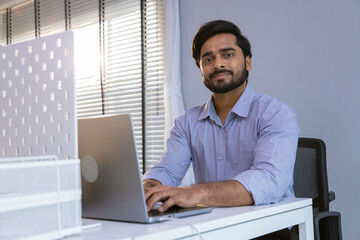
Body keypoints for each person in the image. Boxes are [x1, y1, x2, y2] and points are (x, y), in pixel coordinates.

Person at [142, 19, 300, 239]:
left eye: (228, 54)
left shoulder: (276, 114)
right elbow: (168, 170)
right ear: (201, 70)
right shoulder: (186, 122)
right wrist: (149, 186)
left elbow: (269, 180)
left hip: (267, 229)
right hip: (211, 228)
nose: (217, 64)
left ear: (247, 63)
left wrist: (194, 193)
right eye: (208, 59)